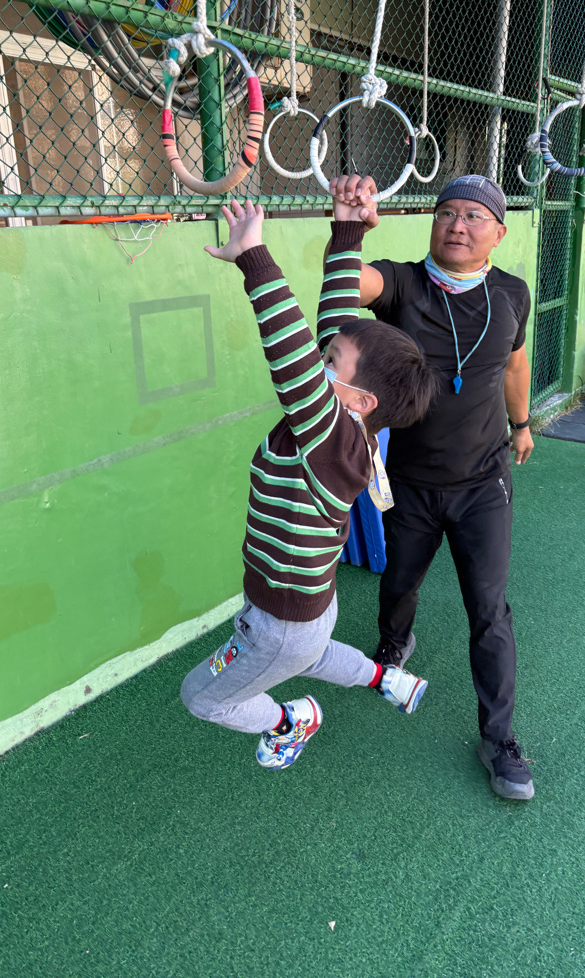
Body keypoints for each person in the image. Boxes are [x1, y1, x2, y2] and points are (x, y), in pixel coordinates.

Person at [180, 198, 435, 771]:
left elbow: (292, 357)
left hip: (279, 624)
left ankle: (290, 721)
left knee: (203, 698)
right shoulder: (340, 429)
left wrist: (254, 259)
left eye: (331, 363)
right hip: (310, 608)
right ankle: (385, 678)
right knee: (313, 654)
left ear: (360, 401)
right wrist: (347, 232)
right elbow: (334, 324)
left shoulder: (332, 438)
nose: (319, 362)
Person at [329, 173, 536, 800]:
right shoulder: (403, 283)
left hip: (483, 482)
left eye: (474, 215)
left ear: (499, 232)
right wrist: (347, 230)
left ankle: (498, 739)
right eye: (447, 212)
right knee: (398, 582)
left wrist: (522, 424)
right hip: (412, 484)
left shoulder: (512, 295)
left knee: (489, 610)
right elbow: (346, 288)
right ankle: (394, 645)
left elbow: (515, 363)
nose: (457, 224)